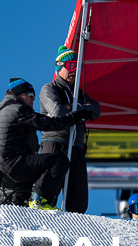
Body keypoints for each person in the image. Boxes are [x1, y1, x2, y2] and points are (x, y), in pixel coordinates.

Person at [0, 78, 94, 209]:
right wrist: (76, 116)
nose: (34, 100)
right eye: (31, 95)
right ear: (20, 95)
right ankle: (40, 200)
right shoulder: (18, 110)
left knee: (20, 201)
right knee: (59, 161)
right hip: (13, 166)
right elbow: (50, 123)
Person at [39, 45, 101, 213]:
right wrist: (81, 110)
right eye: (71, 66)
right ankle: (42, 223)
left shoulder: (78, 93)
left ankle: (75, 224)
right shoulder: (50, 88)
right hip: (55, 143)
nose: (75, 71)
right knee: (49, 186)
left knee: (78, 194)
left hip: (76, 146)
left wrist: (75, 107)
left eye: (77, 66)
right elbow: (57, 111)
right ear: (60, 67)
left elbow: (96, 109)